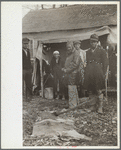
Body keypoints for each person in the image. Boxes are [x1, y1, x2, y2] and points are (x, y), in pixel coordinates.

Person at [84, 34, 108, 113]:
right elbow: (86, 63)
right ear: (90, 42)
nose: (93, 43)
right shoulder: (87, 52)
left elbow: (105, 64)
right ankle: (92, 106)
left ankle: (100, 107)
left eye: (94, 42)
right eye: (92, 42)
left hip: (98, 73)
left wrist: (103, 74)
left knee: (98, 90)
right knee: (90, 90)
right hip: (89, 73)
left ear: (97, 42)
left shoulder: (102, 51)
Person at [62, 41, 81, 108]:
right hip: (70, 73)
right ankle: (74, 103)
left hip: (73, 73)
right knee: (71, 88)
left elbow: (75, 64)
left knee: (72, 88)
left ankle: (73, 105)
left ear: (72, 46)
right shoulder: (69, 53)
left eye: (69, 47)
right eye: (67, 47)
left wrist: (66, 70)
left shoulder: (76, 53)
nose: (68, 48)